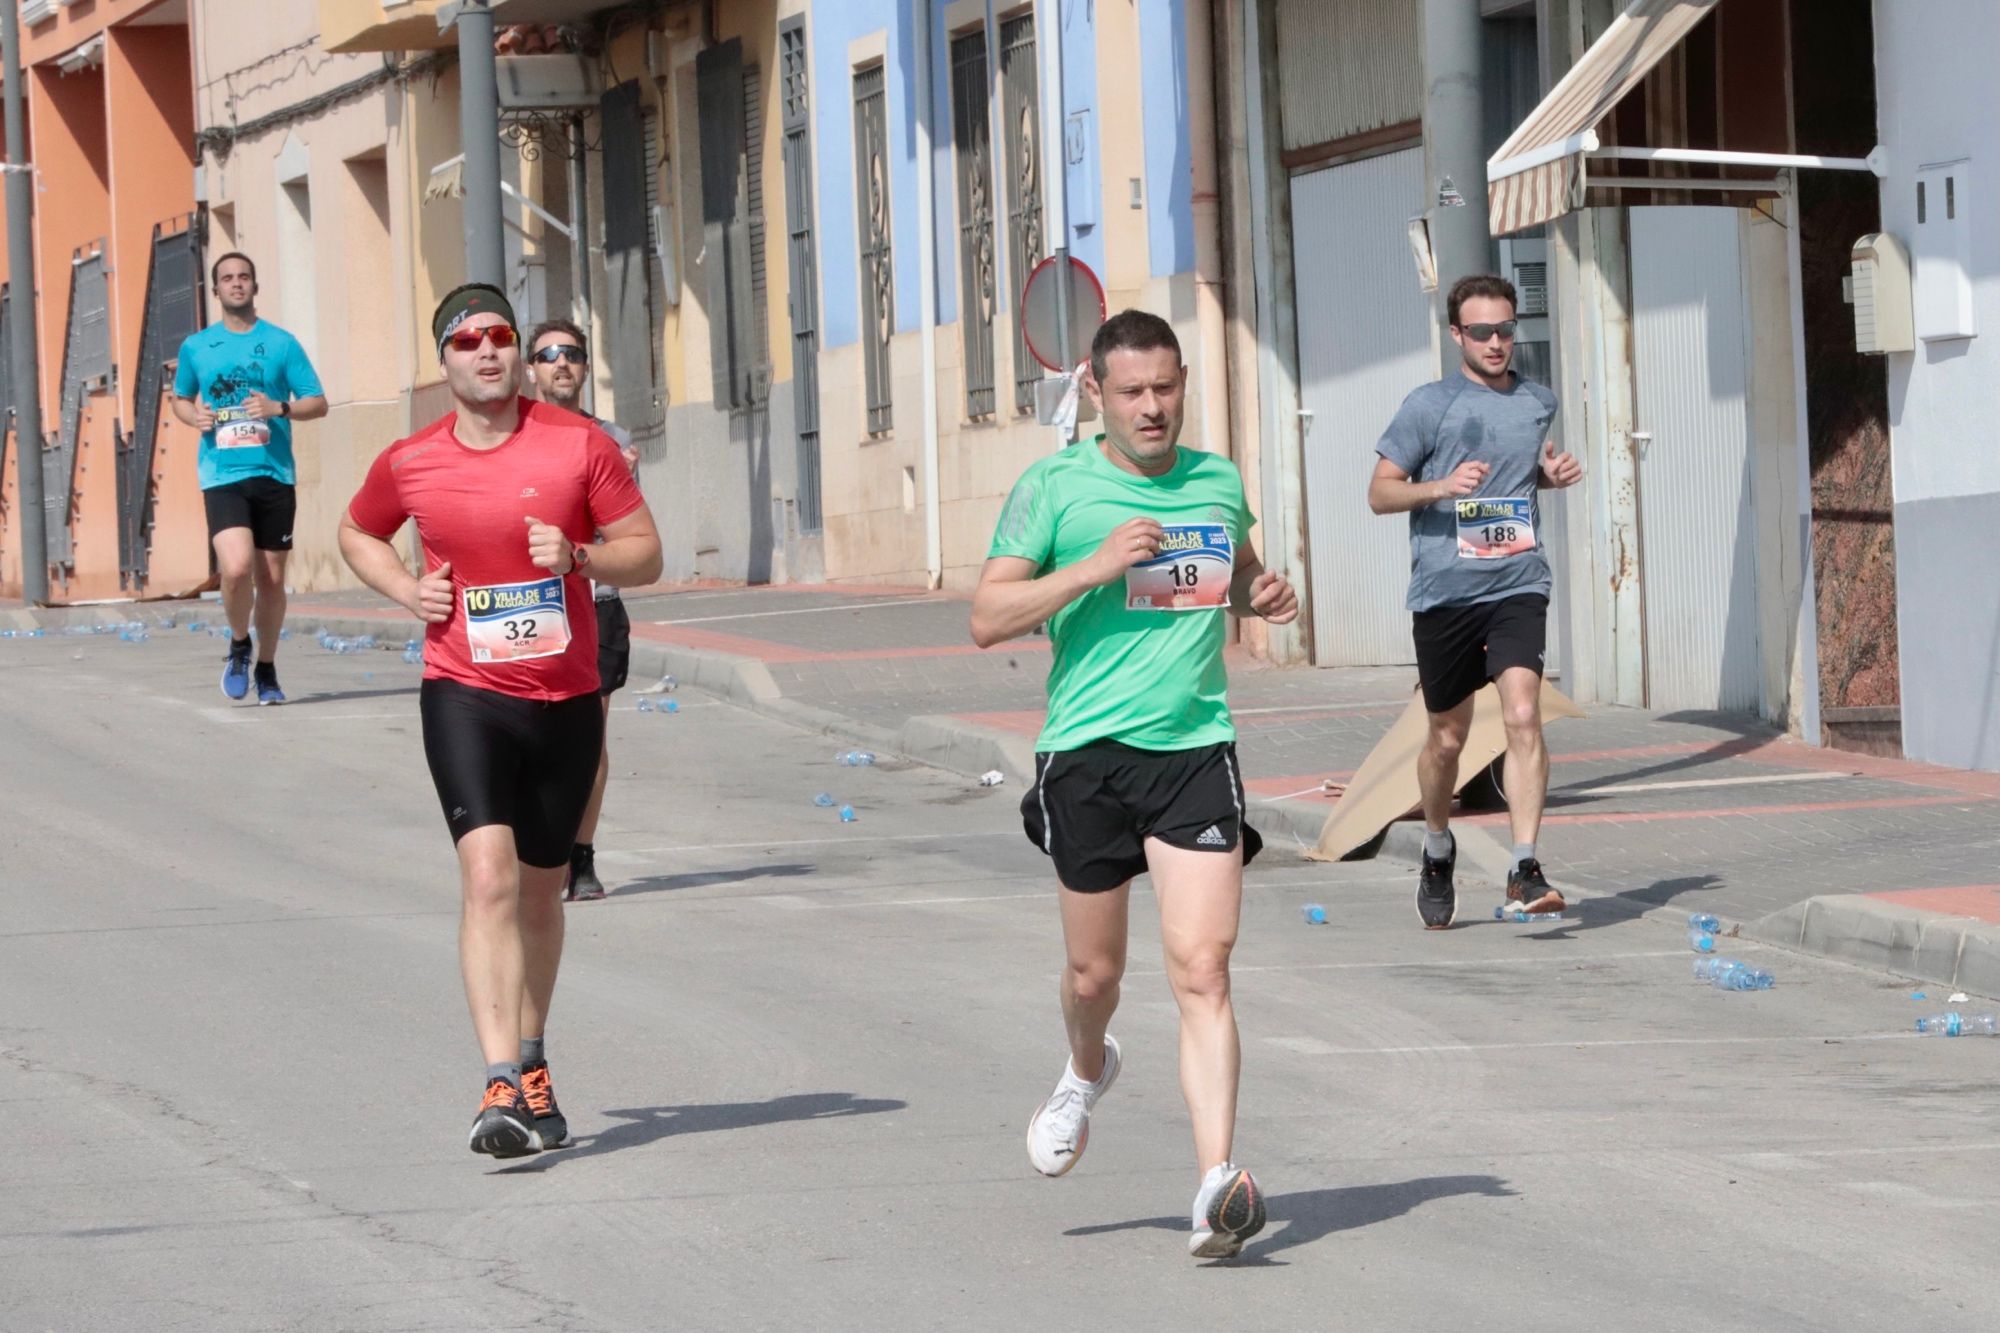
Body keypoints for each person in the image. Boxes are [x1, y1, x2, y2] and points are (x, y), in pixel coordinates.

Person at [971, 309, 1299, 1259]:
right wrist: (1097, 564)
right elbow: (989, 617)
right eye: (1132, 392)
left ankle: (1214, 1185)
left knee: (1203, 968)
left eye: (1167, 387)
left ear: (1183, 382)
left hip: (1196, 750)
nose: (1153, 407)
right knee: (1095, 974)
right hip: (1087, 754)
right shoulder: (1056, 487)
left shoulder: (1218, 481)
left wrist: (1263, 593)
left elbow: (1234, 577)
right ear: (1098, 392)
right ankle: (1084, 1069)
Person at [338, 284, 662, 1158]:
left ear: (517, 353)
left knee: (538, 891)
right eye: (466, 339)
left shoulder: (579, 446)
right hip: (464, 690)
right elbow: (358, 531)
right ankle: (497, 1087)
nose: (486, 350)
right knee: (485, 876)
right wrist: (408, 589)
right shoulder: (413, 461)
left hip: (563, 698)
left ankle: (531, 1053)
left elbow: (649, 551)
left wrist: (583, 553)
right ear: (443, 361)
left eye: (501, 336)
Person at [1368, 273, 1584, 931]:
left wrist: (1546, 478)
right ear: (1457, 334)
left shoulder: (1537, 402)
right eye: (1482, 331)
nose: (1497, 343)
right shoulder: (1428, 405)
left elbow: (1517, 478)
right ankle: (1437, 846)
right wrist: (1439, 487)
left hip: (1517, 581)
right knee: (1446, 737)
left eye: (1506, 329)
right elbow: (1380, 492)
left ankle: (1524, 865)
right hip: (1445, 593)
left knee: (1523, 712)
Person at [171, 252, 329, 705]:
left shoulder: (281, 344)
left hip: (274, 472)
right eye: (227, 279)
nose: (236, 284)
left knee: (272, 578)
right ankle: (240, 644)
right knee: (237, 567)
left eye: (244, 278)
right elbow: (180, 398)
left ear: (255, 288)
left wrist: (279, 408)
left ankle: (267, 667)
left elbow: (317, 402)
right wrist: (193, 416)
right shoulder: (198, 346)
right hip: (222, 473)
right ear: (216, 290)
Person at [526, 318, 639, 902]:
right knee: (528, 735)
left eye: (570, 354)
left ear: (585, 367)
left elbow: (631, 536)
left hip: (595, 605)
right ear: (532, 370)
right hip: (529, 604)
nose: (560, 363)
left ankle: (583, 858)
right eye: (547, 355)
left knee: (588, 740)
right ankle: (535, 848)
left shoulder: (612, 439)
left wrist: (625, 475)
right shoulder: (513, 435)